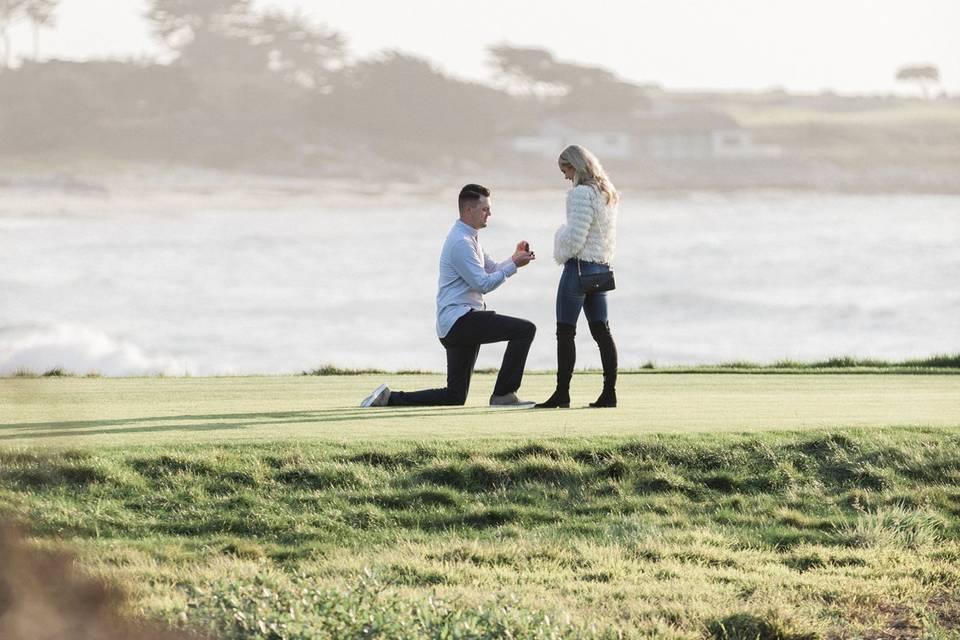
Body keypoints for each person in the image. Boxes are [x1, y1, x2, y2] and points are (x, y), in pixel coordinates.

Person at [361, 184, 537, 408]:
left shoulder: (470, 238)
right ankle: (503, 395)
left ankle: (390, 398)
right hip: (460, 321)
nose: (490, 214)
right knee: (525, 330)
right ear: (469, 211)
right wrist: (513, 265)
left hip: (458, 323)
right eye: (485, 209)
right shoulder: (460, 243)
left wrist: (514, 258)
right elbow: (483, 284)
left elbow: (490, 269)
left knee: (454, 397)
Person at [535, 145, 619, 409]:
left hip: (579, 269)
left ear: (577, 166)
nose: (565, 176)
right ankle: (609, 393)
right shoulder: (606, 192)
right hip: (600, 268)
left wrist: (558, 240)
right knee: (602, 332)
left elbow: (574, 237)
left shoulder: (580, 193)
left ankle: (562, 394)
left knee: (565, 332)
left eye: (566, 169)